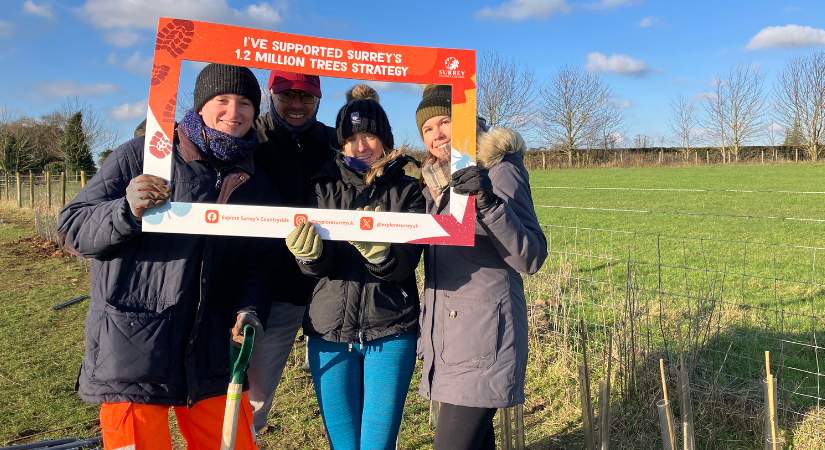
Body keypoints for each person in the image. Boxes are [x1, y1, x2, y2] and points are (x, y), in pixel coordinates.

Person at [58, 64, 275, 450]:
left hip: (211, 349)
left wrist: (249, 308)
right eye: (221, 100)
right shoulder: (141, 156)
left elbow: (256, 263)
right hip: (133, 349)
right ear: (200, 105)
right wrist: (125, 210)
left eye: (245, 103)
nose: (233, 111)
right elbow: (73, 227)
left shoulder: (254, 177)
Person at [284, 92, 425, 449]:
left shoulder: (409, 192)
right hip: (329, 333)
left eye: (369, 136)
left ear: (386, 140)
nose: (359, 146)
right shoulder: (321, 187)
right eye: (349, 138)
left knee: (378, 444)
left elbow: (407, 263)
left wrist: (382, 257)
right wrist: (309, 256)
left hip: (390, 331)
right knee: (343, 444)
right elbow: (318, 267)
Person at [415, 85, 548, 450]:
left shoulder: (498, 170)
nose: (437, 134)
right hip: (449, 338)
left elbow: (531, 255)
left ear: (468, 123)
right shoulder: (436, 183)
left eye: (446, 122)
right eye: (428, 128)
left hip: (482, 338)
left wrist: (487, 202)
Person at [246, 70, 339, 434]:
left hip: (327, 283)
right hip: (270, 288)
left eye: (306, 96)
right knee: (254, 394)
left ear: (318, 99)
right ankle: (247, 435)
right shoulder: (251, 138)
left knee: (338, 394)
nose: (297, 104)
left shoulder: (335, 142)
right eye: (288, 95)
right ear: (272, 94)